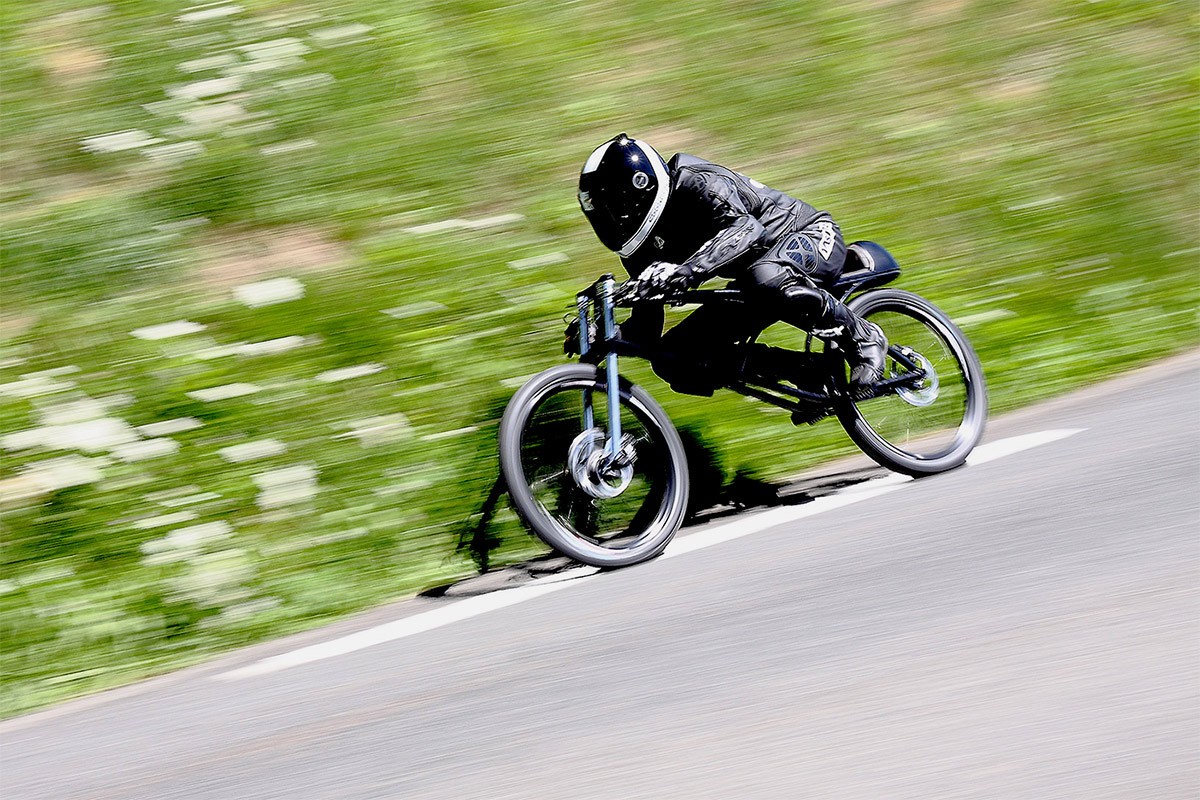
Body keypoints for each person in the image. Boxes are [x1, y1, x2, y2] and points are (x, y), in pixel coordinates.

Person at [575, 133, 887, 397]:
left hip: (811, 236)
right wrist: (605, 335)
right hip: (754, 280)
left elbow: (747, 230)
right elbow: (647, 330)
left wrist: (688, 271)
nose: (615, 220)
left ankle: (863, 335)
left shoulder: (697, 182)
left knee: (764, 277)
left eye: (615, 208)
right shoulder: (637, 248)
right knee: (675, 357)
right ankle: (805, 371)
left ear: (639, 187)